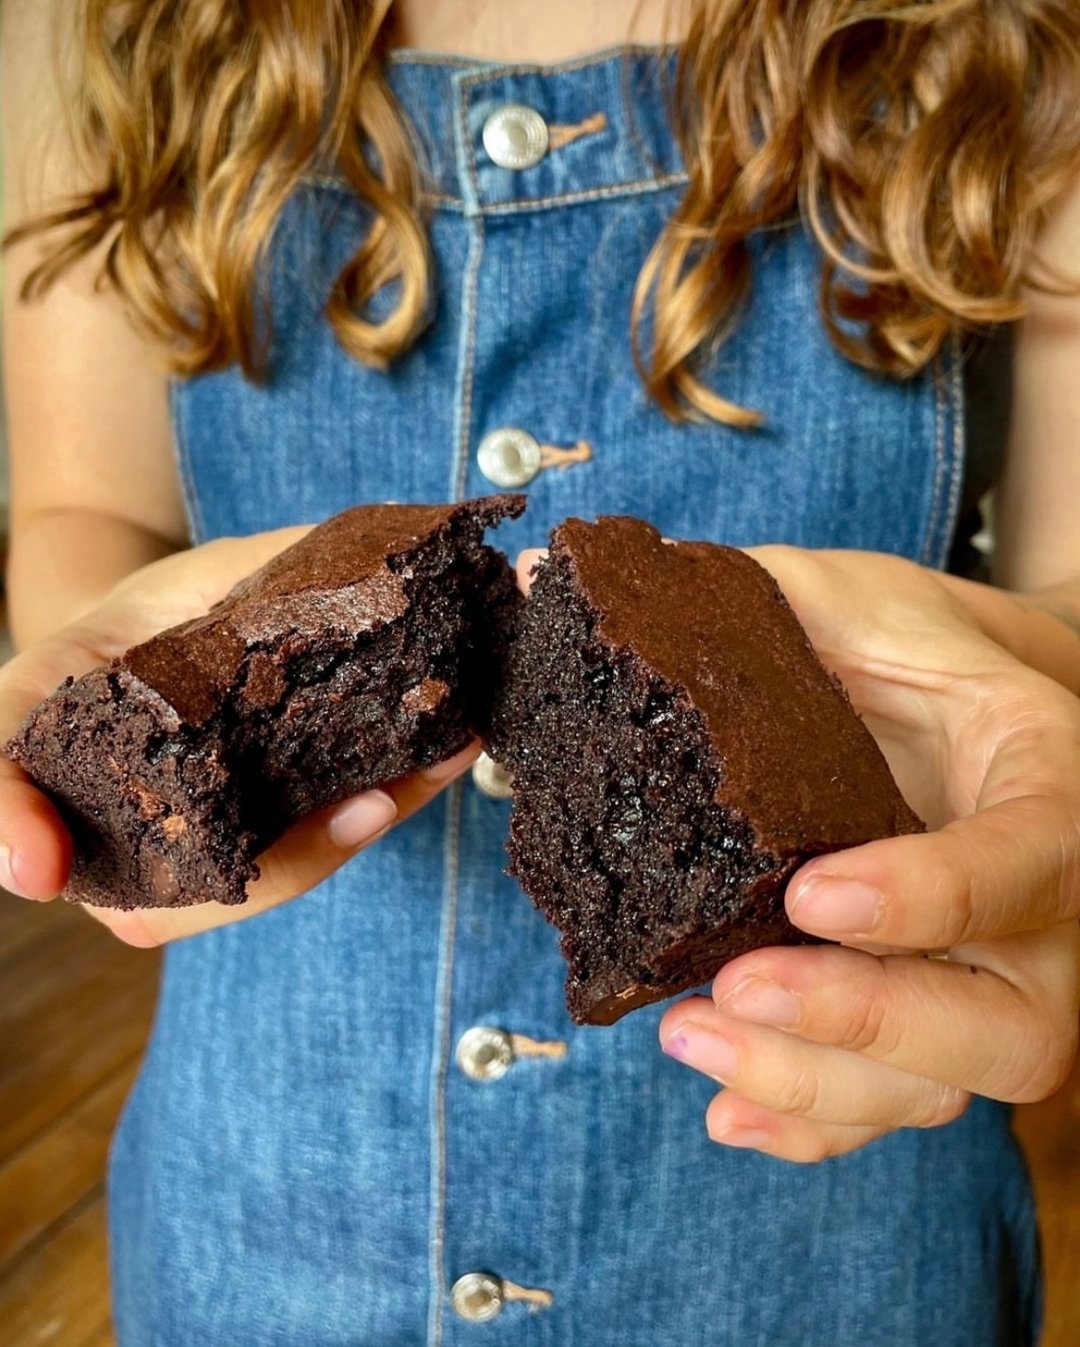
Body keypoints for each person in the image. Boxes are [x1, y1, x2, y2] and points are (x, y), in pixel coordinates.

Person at [2, 1, 1079, 1343]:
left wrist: (1026, 721)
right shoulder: (129, 32)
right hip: (281, 1187)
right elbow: (83, 508)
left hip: (828, 1190)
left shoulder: (1010, 53)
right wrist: (112, 710)